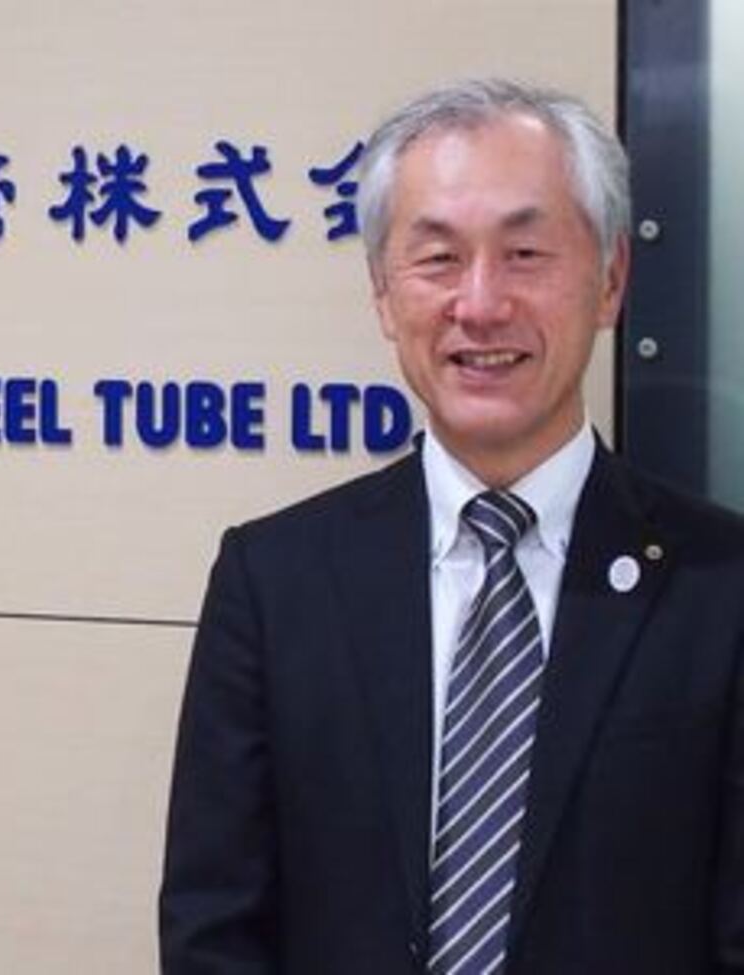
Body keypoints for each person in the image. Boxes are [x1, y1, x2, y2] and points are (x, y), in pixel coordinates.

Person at [158, 78, 744, 975]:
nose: (480, 303)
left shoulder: (722, 589)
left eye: (525, 253)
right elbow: (214, 929)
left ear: (611, 279)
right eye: (438, 258)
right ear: (383, 295)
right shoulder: (274, 581)